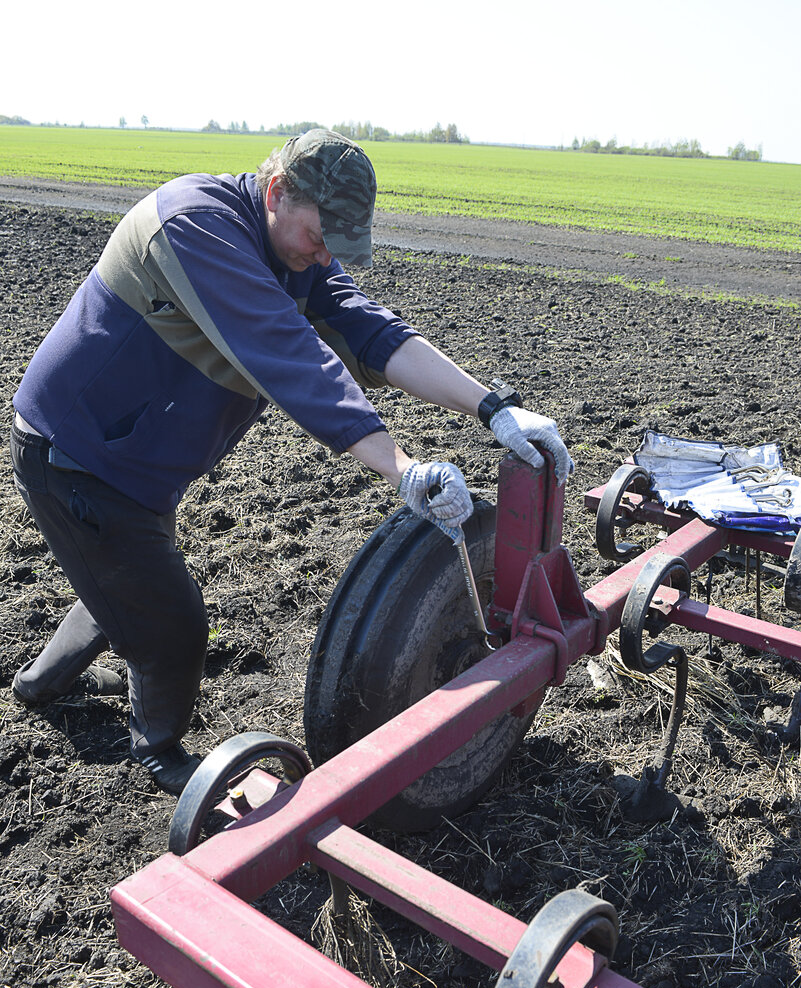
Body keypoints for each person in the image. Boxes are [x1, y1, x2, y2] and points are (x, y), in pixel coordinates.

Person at [10, 128, 572, 795]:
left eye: (337, 242)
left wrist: (495, 408)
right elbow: (290, 356)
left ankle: (37, 684)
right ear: (277, 192)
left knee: (123, 582)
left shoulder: (294, 252)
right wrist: (399, 467)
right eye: (317, 234)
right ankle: (156, 747)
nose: (323, 255)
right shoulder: (197, 226)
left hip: (137, 463)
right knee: (175, 626)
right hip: (80, 457)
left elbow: (371, 331)